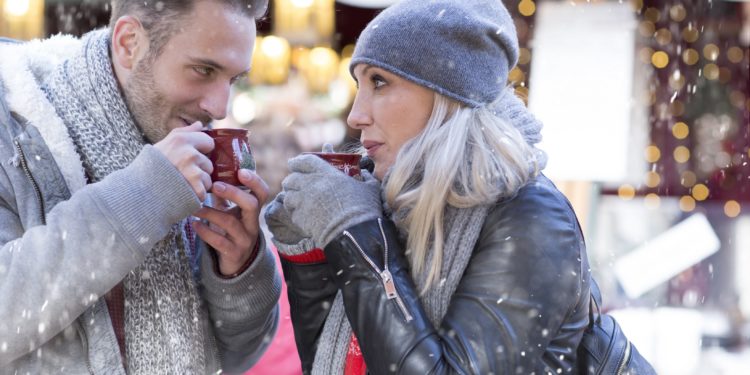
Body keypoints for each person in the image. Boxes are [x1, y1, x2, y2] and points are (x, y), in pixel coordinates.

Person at [265, 0, 593, 374]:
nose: (356, 115)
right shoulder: (388, 200)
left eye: (379, 81)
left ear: (448, 97)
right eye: (359, 84)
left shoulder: (531, 218)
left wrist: (354, 231)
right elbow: (334, 361)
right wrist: (310, 254)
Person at [0, 0, 281, 373]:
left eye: (232, 79)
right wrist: (144, 198)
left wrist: (239, 272)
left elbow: (237, 358)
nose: (219, 106)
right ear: (130, 42)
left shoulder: (191, 144)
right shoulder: (14, 131)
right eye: (203, 69)